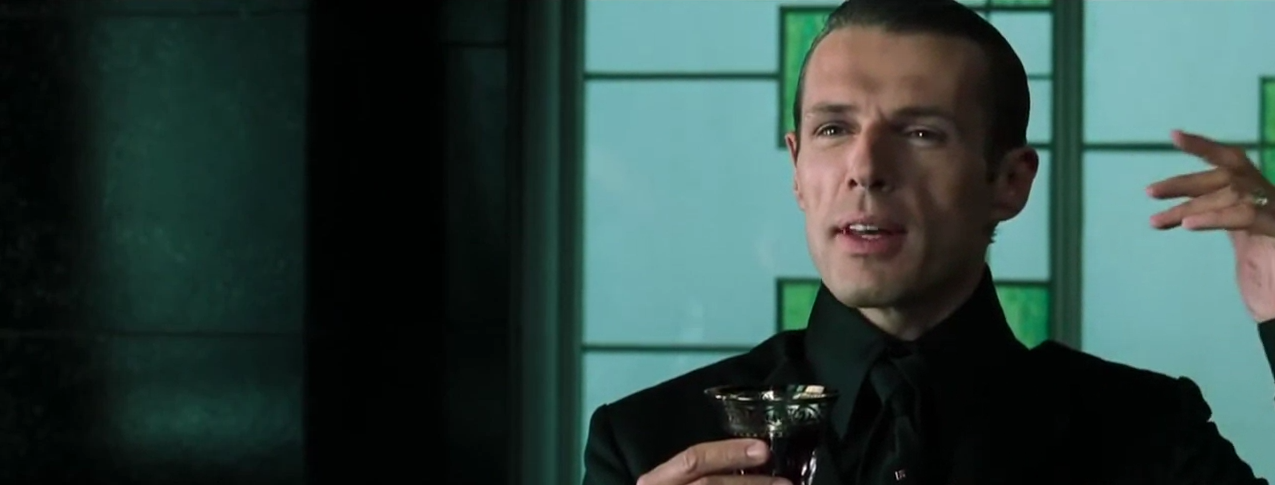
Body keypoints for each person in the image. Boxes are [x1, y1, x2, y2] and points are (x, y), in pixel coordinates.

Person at [580, 1, 1275, 484]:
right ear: (796, 168)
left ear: (1009, 182)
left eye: (920, 133)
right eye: (832, 129)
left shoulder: (1143, 430)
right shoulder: (649, 439)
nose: (865, 168)